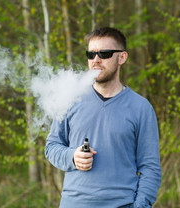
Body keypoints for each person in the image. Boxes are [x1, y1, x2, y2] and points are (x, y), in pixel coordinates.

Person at [45, 27, 161, 208]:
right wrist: (72, 157)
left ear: (122, 57)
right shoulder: (70, 99)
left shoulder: (141, 108)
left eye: (104, 53)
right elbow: (51, 147)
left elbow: (150, 168)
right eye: (91, 54)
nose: (96, 60)